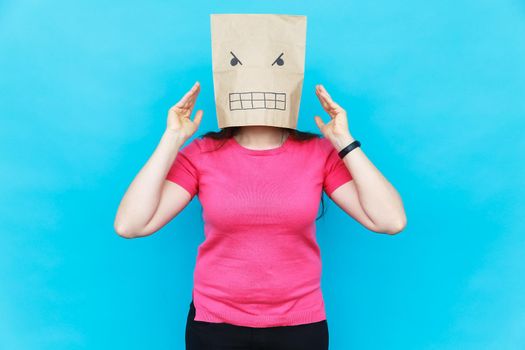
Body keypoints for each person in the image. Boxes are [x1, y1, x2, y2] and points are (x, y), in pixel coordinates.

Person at [114, 81, 407, 349]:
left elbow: (390, 220)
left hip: (300, 326)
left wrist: (344, 141)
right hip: (215, 326)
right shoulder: (202, 153)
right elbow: (131, 225)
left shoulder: (319, 153)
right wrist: (172, 138)